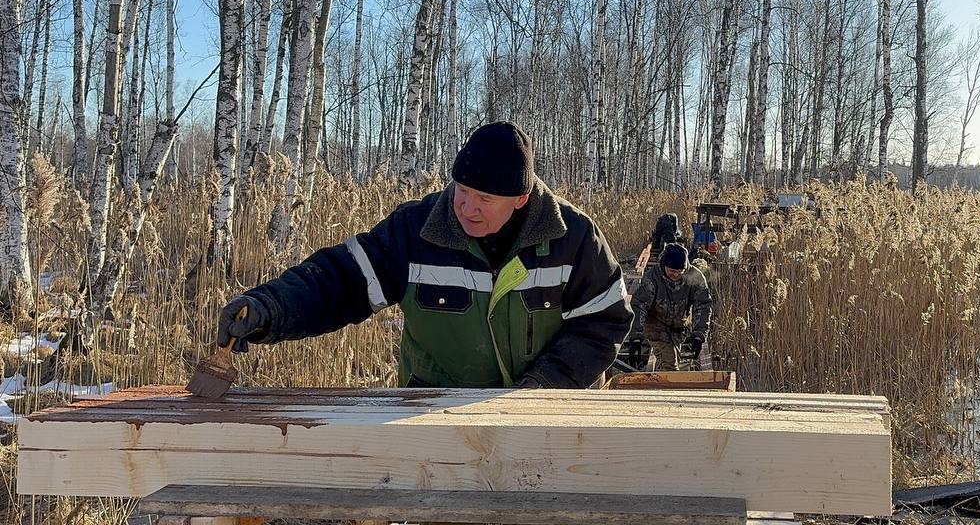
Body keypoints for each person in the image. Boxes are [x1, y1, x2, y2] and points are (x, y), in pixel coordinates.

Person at [215, 121, 633, 388]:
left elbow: (603, 323)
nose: (466, 208)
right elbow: (340, 281)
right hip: (433, 414)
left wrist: (545, 385)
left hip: (543, 420)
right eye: (462, 192)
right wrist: (269, 307)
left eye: (484, 199)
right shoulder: (417, 230)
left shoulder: (573, 238)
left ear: (521, 199)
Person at [625, 243, 711, 371]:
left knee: (670, 360)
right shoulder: (652, 278)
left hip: (679, 327)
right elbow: (639, 305)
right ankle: (670, 388)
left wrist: (699, 334)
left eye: (679, 272)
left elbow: (703, 305)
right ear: (664, 265)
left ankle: (658, 385)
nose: (675, 275)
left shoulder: (695, 277)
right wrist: (636, 336)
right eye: (672, 271)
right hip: (656, 326)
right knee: (669, 365)